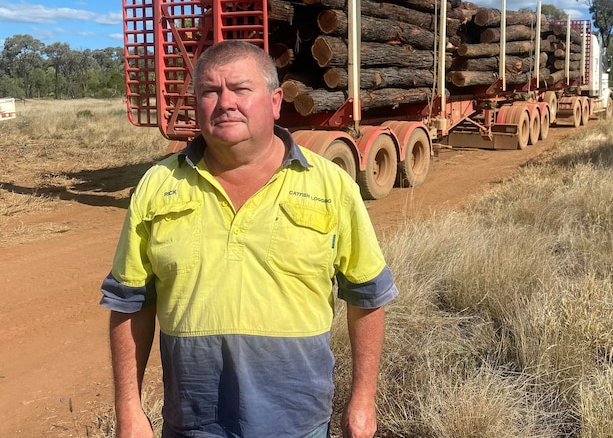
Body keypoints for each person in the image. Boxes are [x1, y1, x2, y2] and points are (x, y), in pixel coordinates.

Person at [100, 40, 398, 438]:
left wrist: (362, 400)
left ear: (275, 102)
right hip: (193, 423)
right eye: (209, 91)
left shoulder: (331, 185)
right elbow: (129, 303)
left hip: (298, 422)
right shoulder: (158, 185)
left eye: (240, 89)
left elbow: (367, 295)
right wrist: (130, 411)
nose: (225, 102)